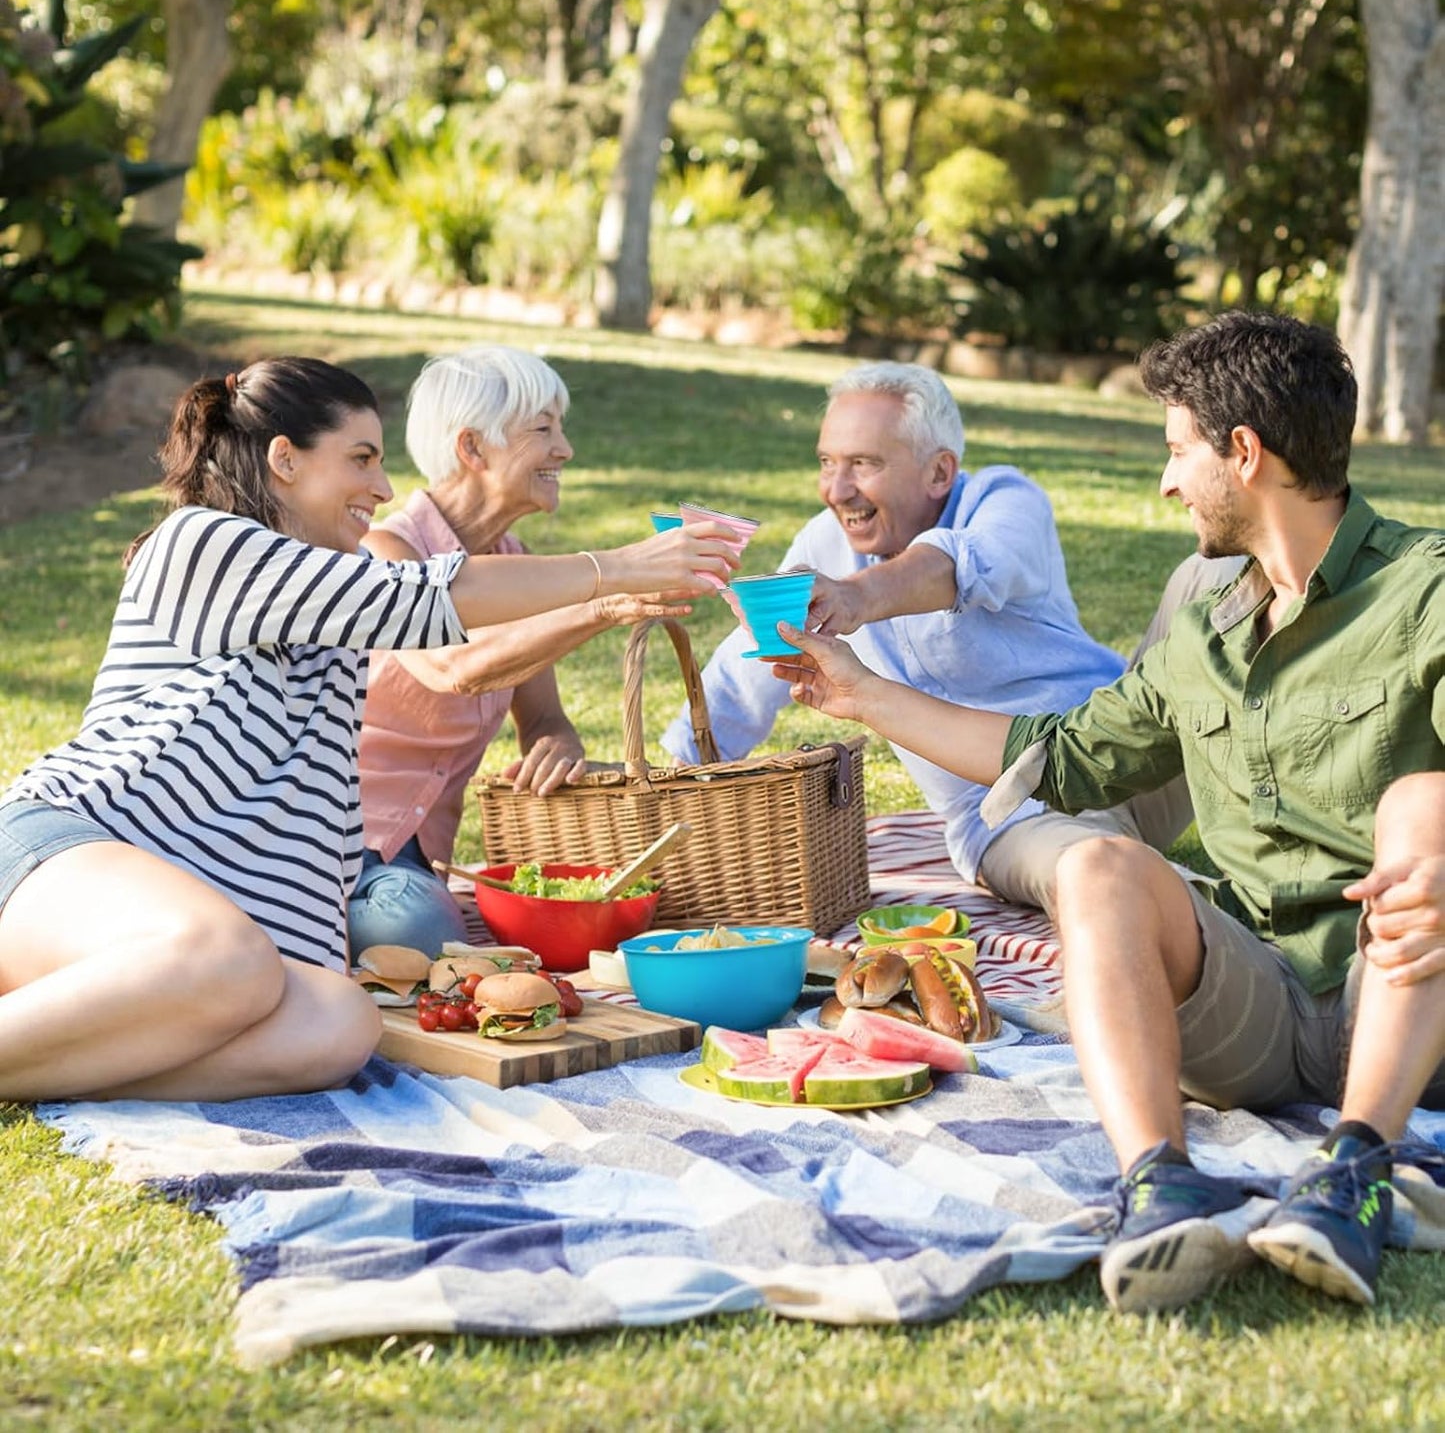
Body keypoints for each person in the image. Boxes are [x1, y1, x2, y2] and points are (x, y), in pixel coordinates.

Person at [769, 312, 1445, 1313]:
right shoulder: (1208, 616)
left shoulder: (1424, 587)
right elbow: (1064, 755)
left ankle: (1351, 1169)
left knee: (1418, 800)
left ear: (1243, 454)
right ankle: (1158, 1185)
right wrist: (857, 692)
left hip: (1401, 991)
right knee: (1093, 865)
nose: (1166, 480)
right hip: (1258, 997)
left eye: (1177, 451)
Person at [0, 357, 740, 1104]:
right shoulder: (201, 543)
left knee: (338, 1020)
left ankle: (53, 1051)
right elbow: (424, 597)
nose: (383, 488)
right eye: (360, 458)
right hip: (64, 856)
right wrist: (614, 568)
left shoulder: (336, 640)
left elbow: (318, 844)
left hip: (178, 946)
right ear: (284, 459)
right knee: (232, 959)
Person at [661, 360, 1233, 915]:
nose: (837, 489)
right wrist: (667, 783)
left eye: (863, 463)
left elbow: (961, 565)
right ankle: (1236, 925)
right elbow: (745, 675)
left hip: (1129, 749)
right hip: (1012, 816)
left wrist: (856, 596)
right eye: (827, 462)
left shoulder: (1006, 501)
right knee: (1104, 879)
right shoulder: (822, 547)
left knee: (1218, 572)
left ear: (939, 471)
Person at [349, 345, 693, 958]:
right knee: (420, 939)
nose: (565, 449)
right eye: (543, 429)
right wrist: (604, 603)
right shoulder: (386, 553)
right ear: (472, 448)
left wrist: (556, 743)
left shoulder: (515, 561)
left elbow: (542, 718)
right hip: (345, 840)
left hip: (423, 855)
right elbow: (452, 666)